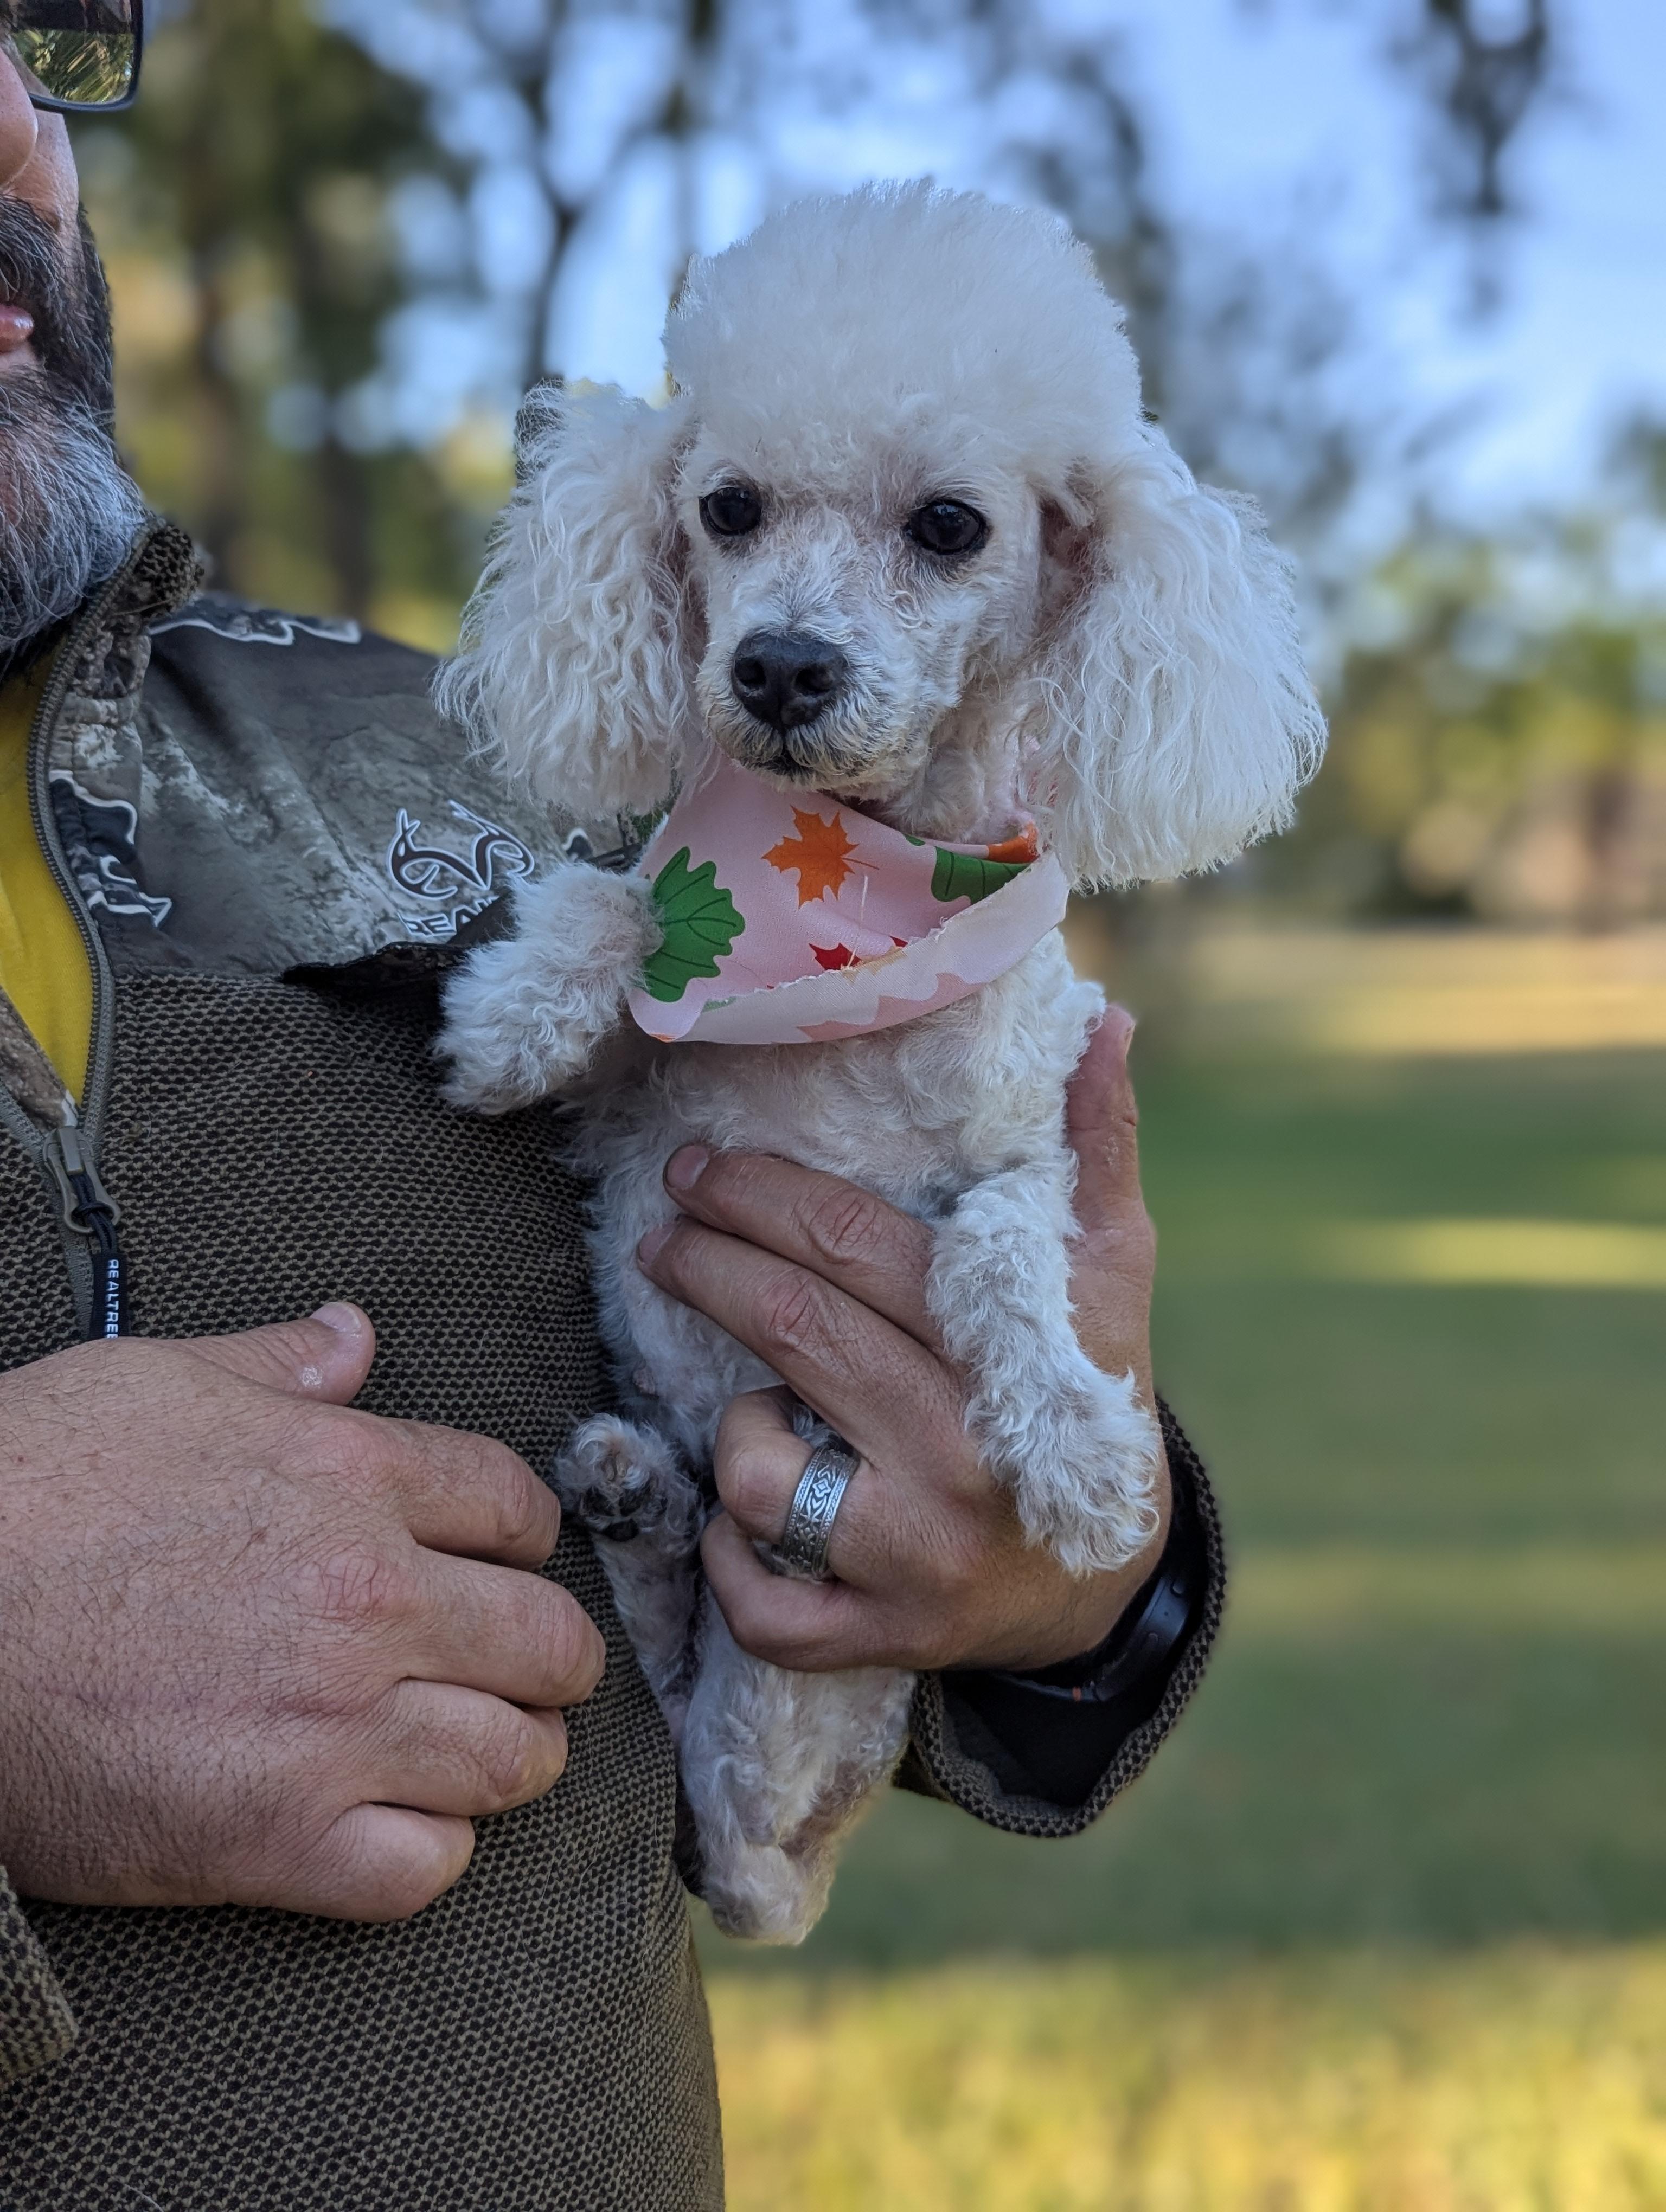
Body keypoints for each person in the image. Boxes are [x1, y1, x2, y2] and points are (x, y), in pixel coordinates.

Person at [0, 22, 1223, 2209]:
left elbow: (1009, 1565)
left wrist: (1076, 1584)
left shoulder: (509, 769)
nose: (11, 124)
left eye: (33, 34)